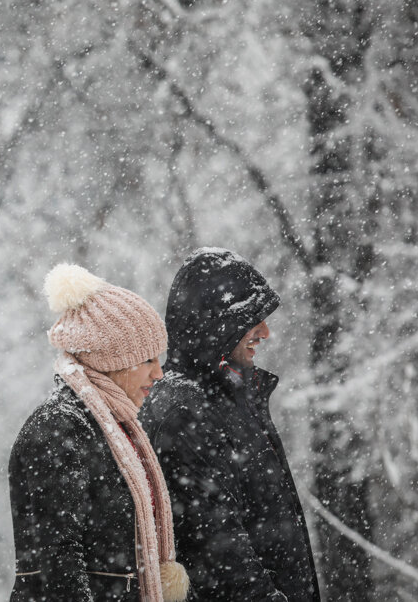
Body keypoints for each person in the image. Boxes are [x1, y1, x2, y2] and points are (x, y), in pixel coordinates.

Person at [139, 248, 320, 602]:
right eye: (253, 320)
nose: (265, 332)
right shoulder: (184, 414)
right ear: (217, 324)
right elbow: (221, 562)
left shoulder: (226, 398)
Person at [9, 263, 190, 602]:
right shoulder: (59, 427)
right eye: (148, 360)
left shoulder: (116, 427)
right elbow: (59, 556)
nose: (159, 373)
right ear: (112, 361)